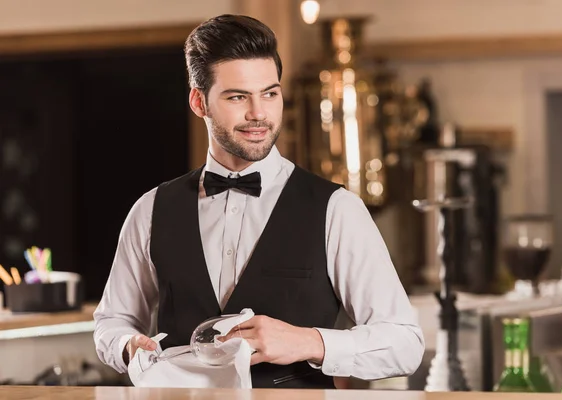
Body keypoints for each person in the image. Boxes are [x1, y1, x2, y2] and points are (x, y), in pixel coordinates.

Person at [93, 14, 424, 389]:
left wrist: (309, 342)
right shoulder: (151, 210)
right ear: (199, 102)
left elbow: (405, 344)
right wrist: (127, 345)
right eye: (237, 97)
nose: (259, 114)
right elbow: (112, 321)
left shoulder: (337, 209)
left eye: (269, 93)